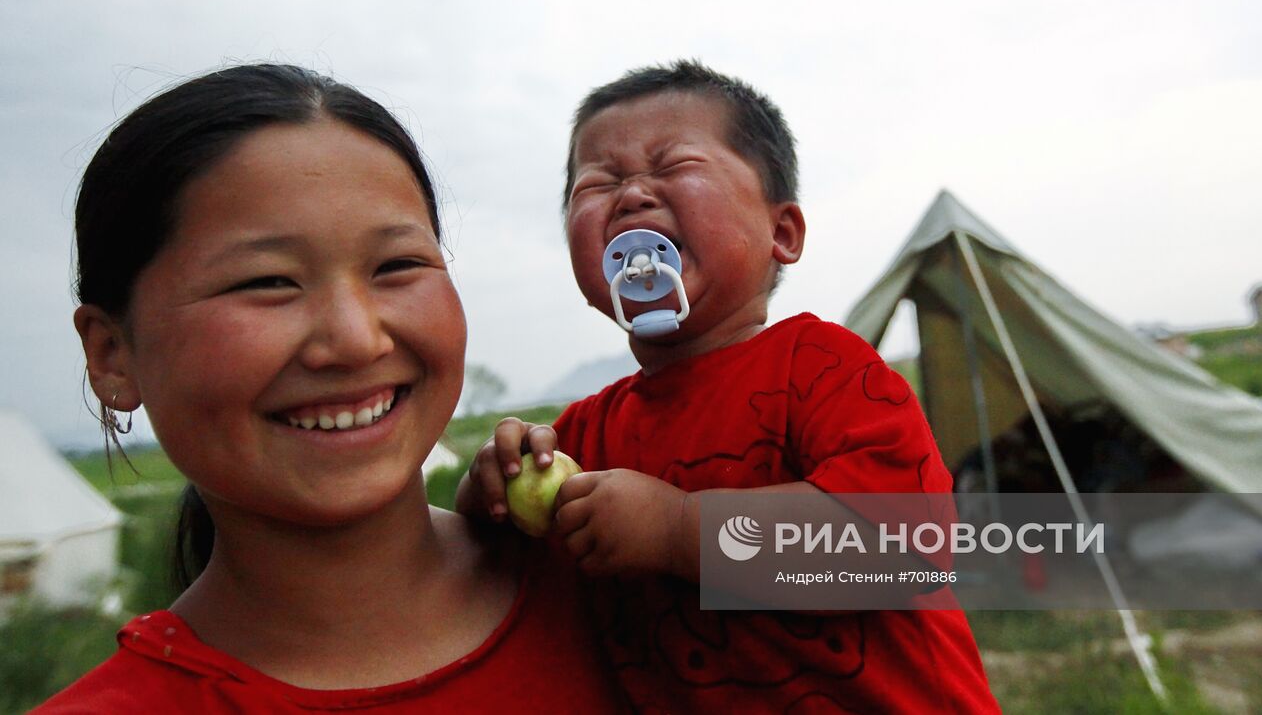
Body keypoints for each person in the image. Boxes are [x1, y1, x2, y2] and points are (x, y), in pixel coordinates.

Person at [41, 65, 621, 712]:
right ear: (111, 354)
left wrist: (682, 533)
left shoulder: (614, 548)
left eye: (397, 265)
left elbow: (760, 559)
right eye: (267, 281)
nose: (355, 339)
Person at [462, 61, 1000, 712]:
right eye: (596, 182)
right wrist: (488, 491)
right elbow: (488, 573)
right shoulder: (581, 438)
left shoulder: (824, 369)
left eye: (672, 167)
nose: (631, 195)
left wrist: (676, 529)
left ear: (782, 232)